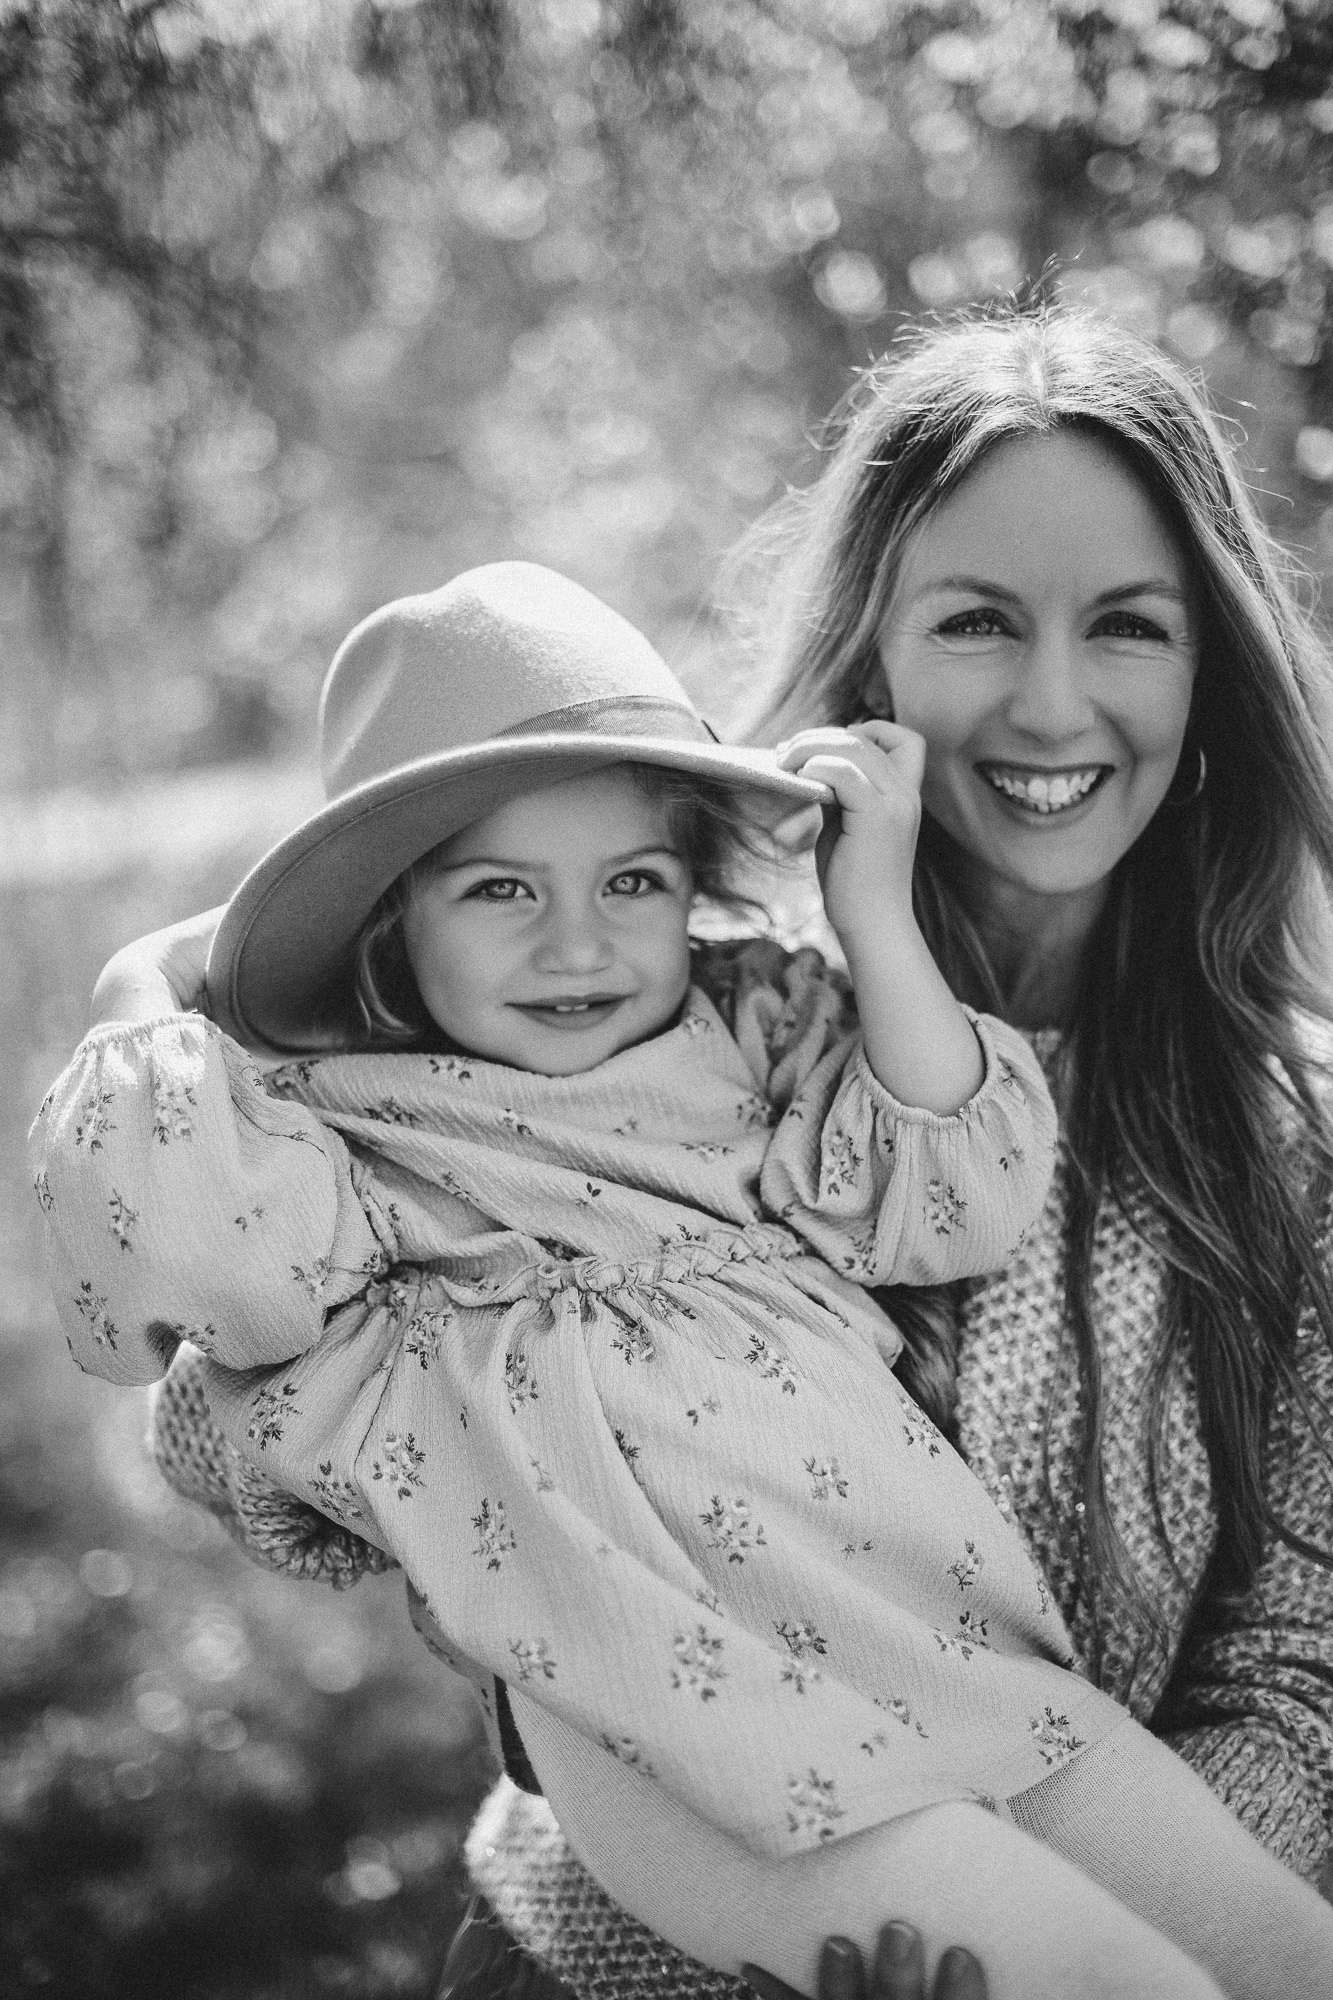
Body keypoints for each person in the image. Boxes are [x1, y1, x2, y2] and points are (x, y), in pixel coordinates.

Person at [31, 558, 1333, 1998]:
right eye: (500, 888)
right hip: (679, 1724)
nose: (577, 942)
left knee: (1283, 1956)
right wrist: (142, 993)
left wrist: (875, 916)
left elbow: (951, 1199)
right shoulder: (349, 1128)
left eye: (632, 880)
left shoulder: (755, 1030)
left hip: (956, 1654)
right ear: (391, 918)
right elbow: (187, 1262)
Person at [423, 305, 1333, 1999]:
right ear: (873, 660)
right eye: (977, 622)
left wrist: (1057, 1944)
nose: (1052, 704)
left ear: (1210, 667)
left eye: (1127, 627)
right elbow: (480, 1479)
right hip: (615, 1948)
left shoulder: (1299, 1144)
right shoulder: (678, 1043)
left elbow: (1302, 1664)